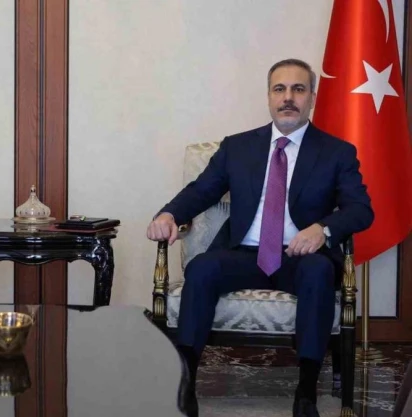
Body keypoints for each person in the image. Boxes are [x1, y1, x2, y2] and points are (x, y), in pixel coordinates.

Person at [146, 58, 374, 417]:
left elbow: (361, 209)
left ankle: (306, 391)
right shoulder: (237, 147)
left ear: (312, 97)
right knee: (202, 268)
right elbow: (202, 191)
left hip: (300, 257)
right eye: (279, 89)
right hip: (245, 254)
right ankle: (185, 382)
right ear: (268, 96)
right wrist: (169, 214)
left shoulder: (336, 152)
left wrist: (323, 229)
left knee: (318, 272)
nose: (288, 97)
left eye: (298, 89)